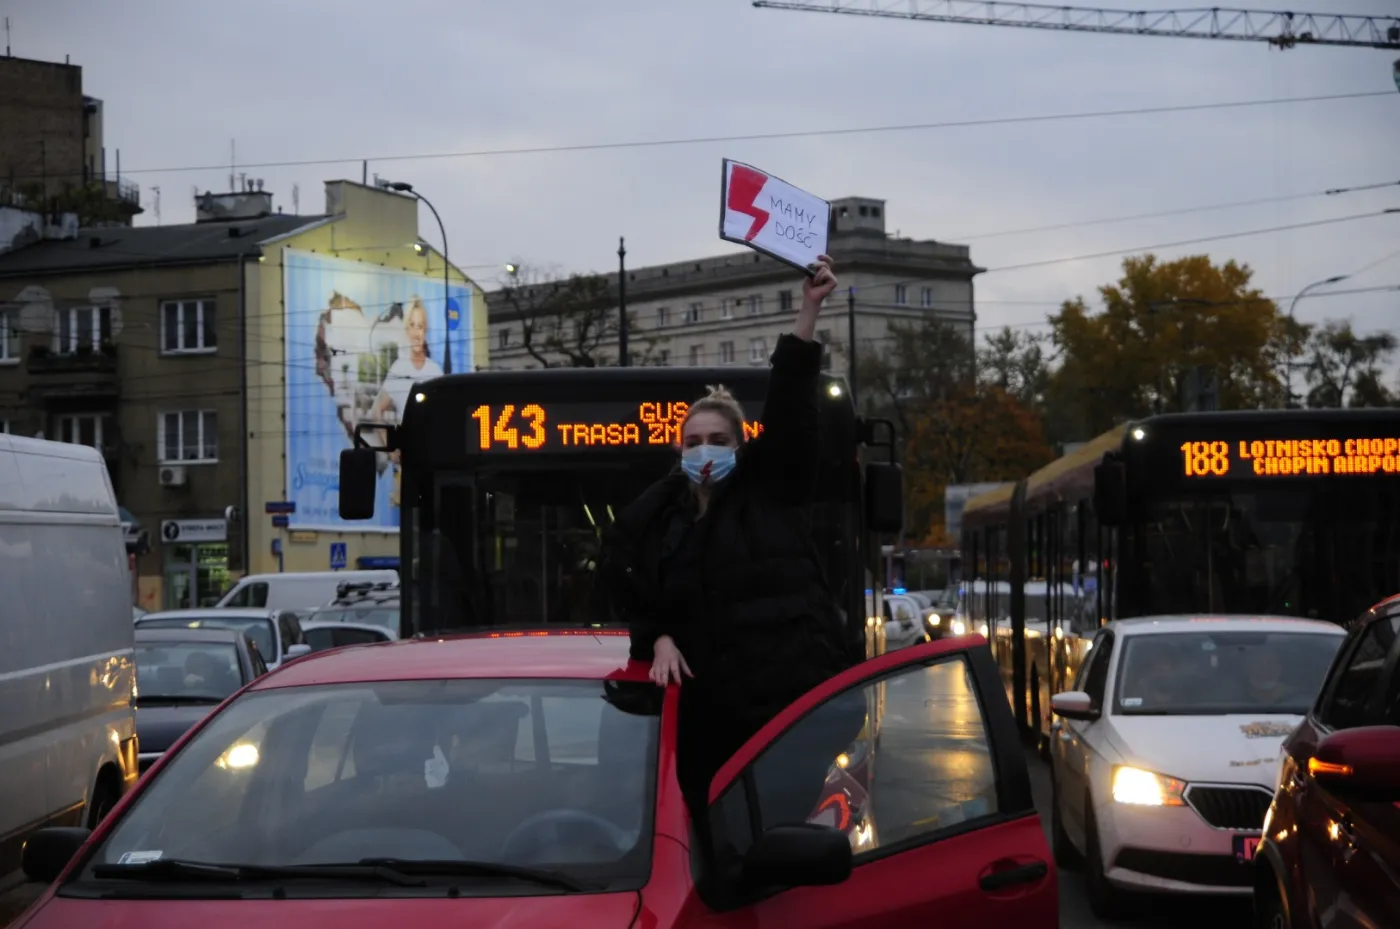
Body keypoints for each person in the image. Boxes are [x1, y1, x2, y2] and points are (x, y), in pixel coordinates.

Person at [600, 254, 862, 830]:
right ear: (678, 451)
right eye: (692, 441)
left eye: (717, 439)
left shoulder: (770, 492)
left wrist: (808, 311)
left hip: (788, 720)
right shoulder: (656, 522)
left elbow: (793, 411)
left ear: (740, 446)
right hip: (706, 728)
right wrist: (658, 636)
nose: (704, 450)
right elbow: (628, 582)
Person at [371, 297, 445, 425]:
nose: (416, 333)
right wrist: (391, 445)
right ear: (407, 329)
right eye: (412, 325)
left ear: (425, 330)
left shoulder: (435, 371)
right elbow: (376, 411)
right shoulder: (399, 368)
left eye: (420, 326)